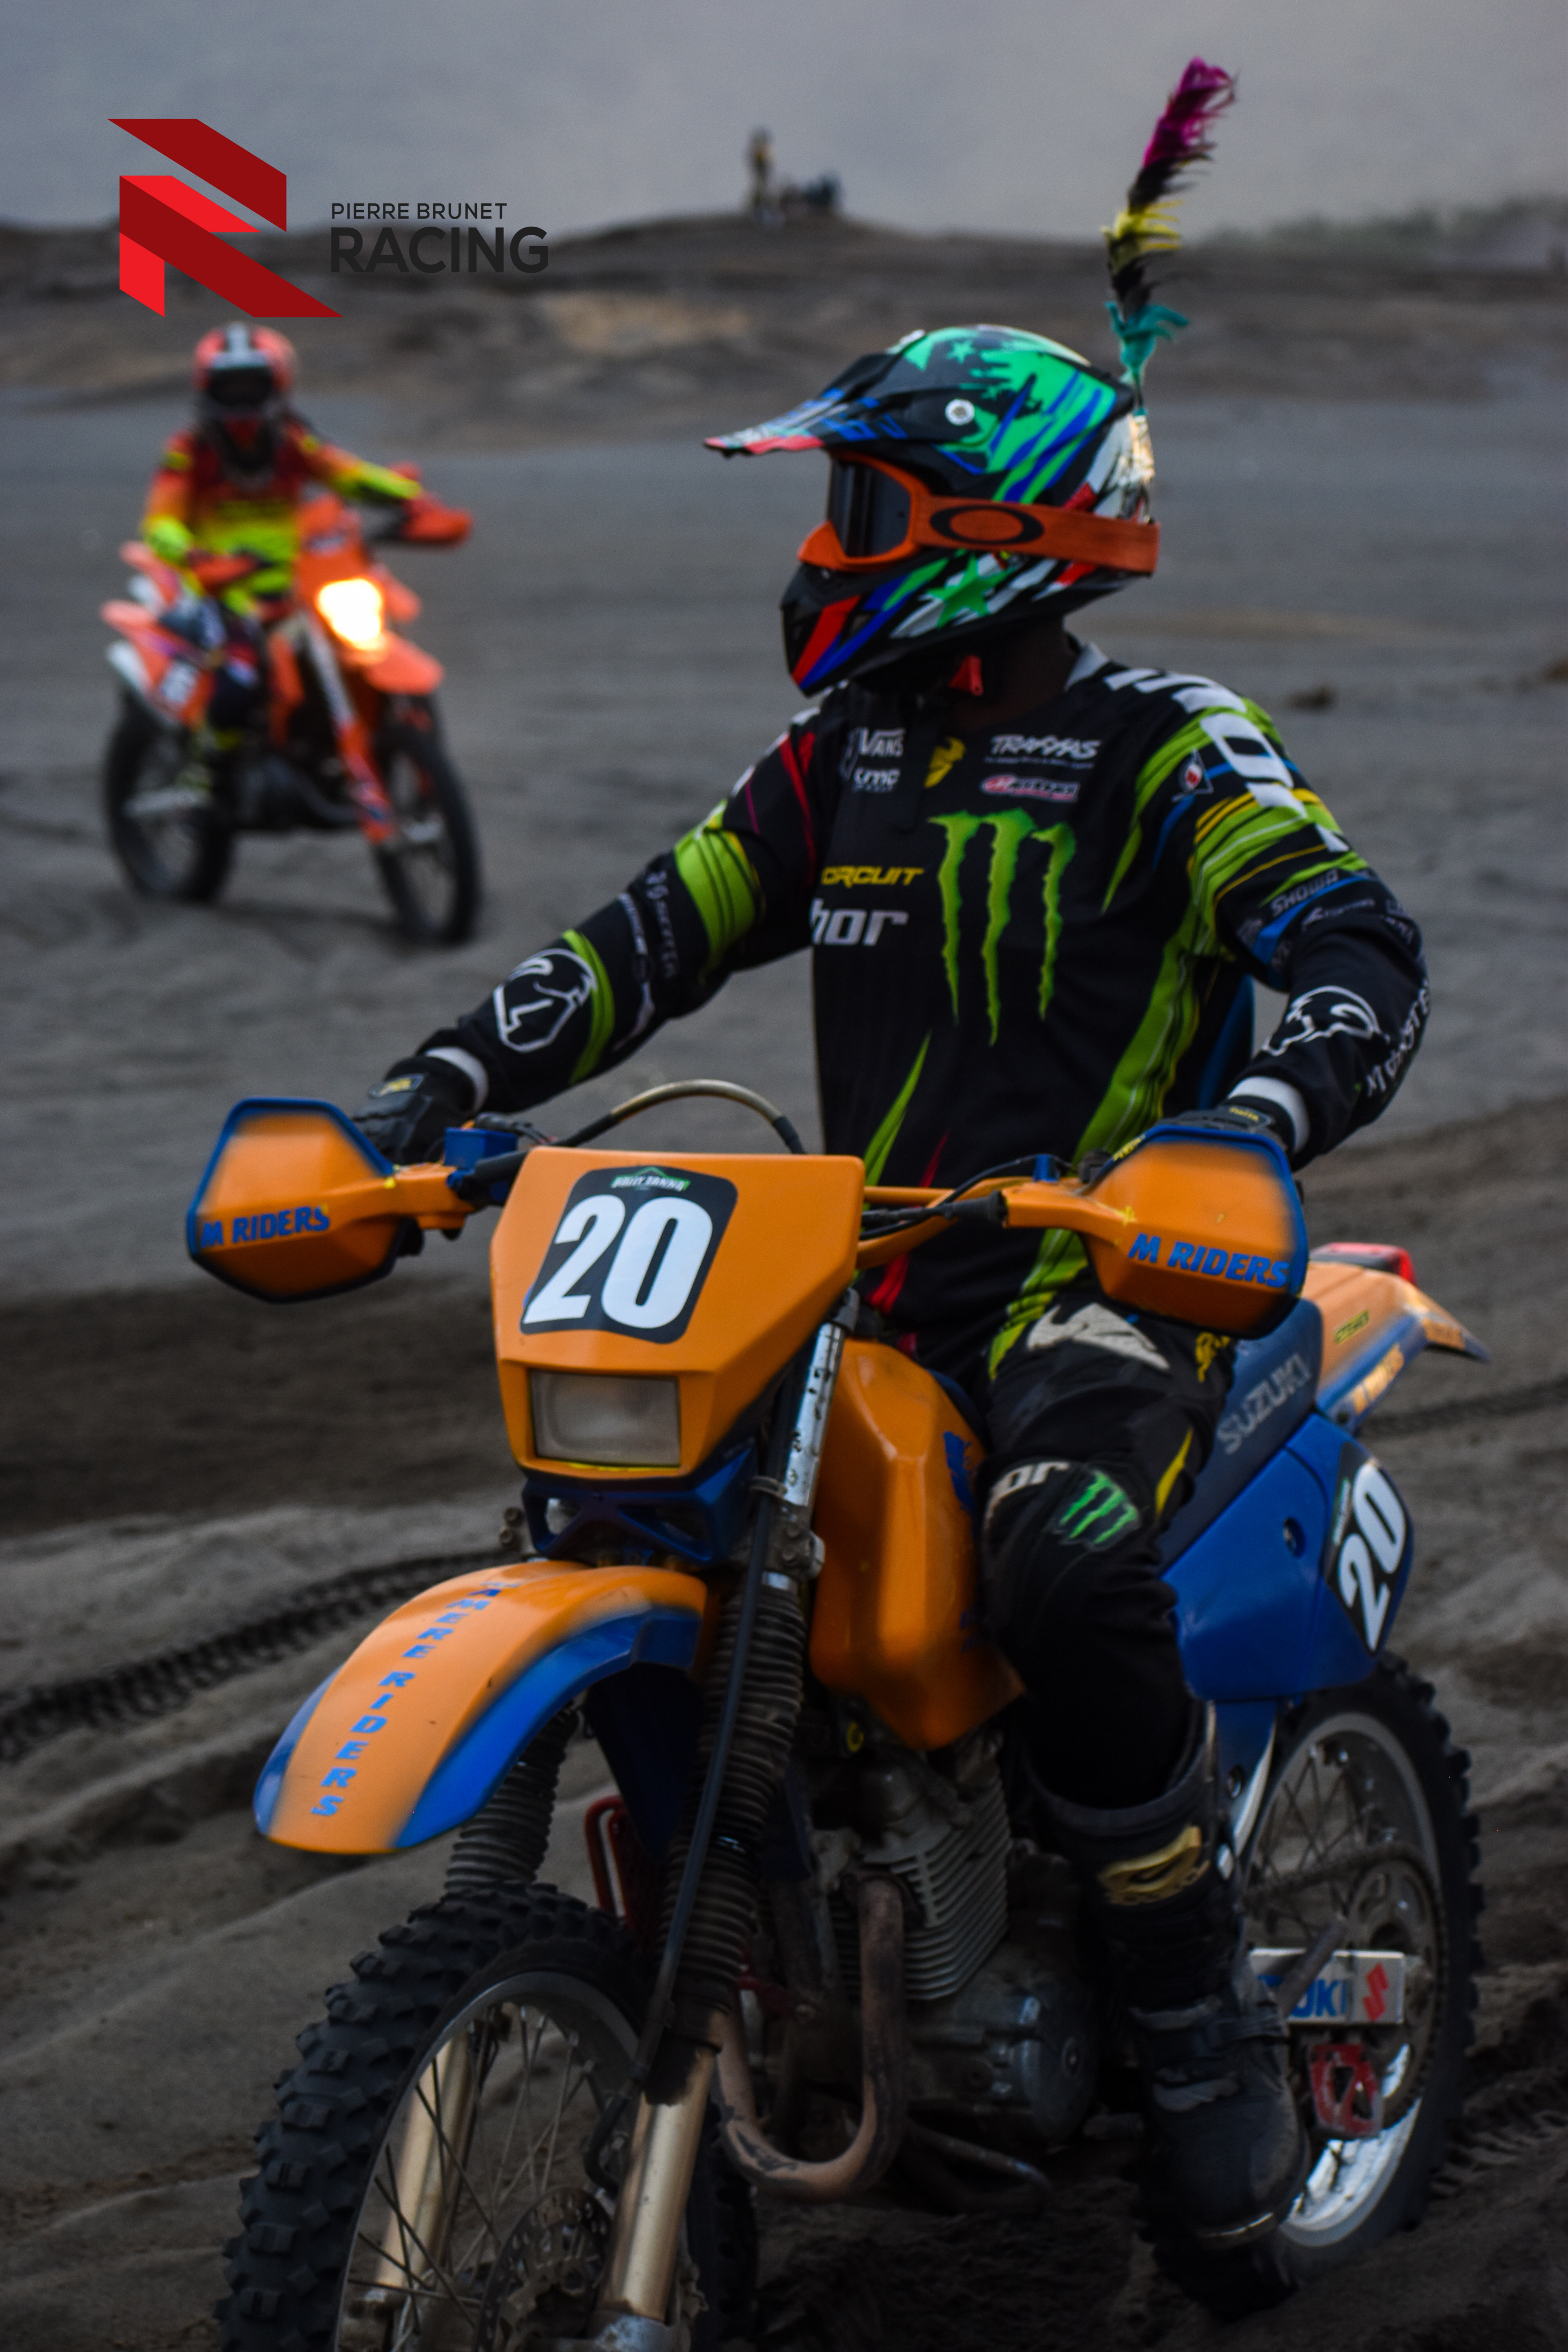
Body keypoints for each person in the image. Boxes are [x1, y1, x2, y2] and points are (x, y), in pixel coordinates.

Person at [351, 76, 1428, 2251]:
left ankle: (1199, 2031)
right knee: (629, 1507)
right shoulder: (842, 756)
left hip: (1114, 1279)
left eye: (859, 507)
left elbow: (1354, 947)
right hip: (866, 1288)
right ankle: (722, 1966)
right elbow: (650, 936)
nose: (822, 544)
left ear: (982, 534)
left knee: (1053, 1549)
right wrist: (431, 1091)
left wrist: (1246, 1125)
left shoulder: (1160, 744)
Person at [139, 324, 421, 791]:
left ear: (278, 386)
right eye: (230, 387)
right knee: (240, 678)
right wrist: (192, 553)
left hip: (295, 582)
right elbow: (159, 523)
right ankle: (204, 772)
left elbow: (351, 475)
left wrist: (412, 498)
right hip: (222, 586)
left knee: (363, 642)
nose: (242, 399)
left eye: (253, 385)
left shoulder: (294, 443)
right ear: (206, 391)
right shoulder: (189, 452)